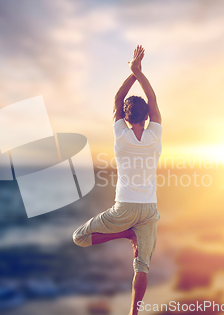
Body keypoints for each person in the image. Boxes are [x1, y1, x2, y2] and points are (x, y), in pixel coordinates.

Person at [72, 45, 162, 315]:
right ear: (146, 117)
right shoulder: (155, 133)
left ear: (124, 116)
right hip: (149, 210)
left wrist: (132, 73)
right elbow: (153, 99)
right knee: (142, 265)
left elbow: (117, 99)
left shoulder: (120, 136)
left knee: (79, 237)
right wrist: (140, 73)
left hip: (124, 208)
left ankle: (125, 234)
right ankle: (134, 313)